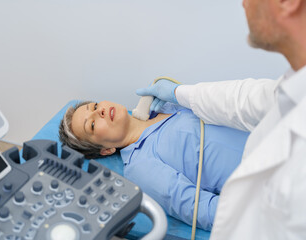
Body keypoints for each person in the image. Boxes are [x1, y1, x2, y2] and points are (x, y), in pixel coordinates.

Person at [135, 0, 306, 239]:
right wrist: (178, 92)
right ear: (104, 149)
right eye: (90, 124)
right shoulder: (139, 162)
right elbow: (246, 99)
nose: (243, 3)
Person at [59, 100, 249, 230]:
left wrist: (181, 94)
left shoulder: (165, 104)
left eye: (95, 105)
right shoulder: (141, 166)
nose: (99, 111)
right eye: (92, 125)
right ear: (106, 150)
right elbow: (201, 210)